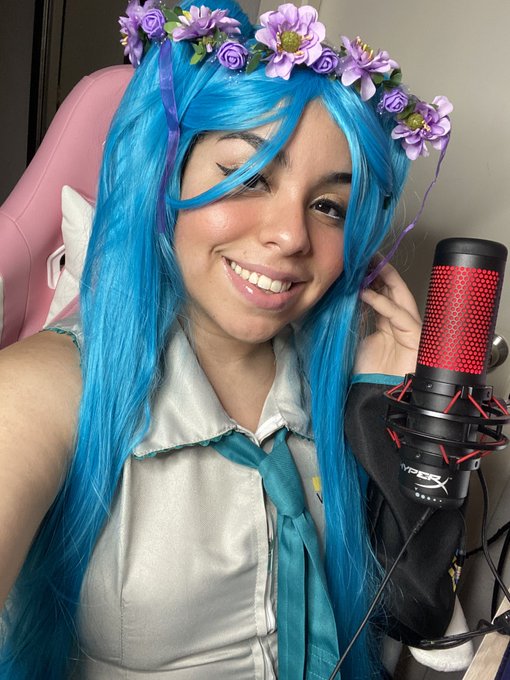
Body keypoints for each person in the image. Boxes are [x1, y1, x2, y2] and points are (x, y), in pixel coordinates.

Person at [0, 1, 463, 678]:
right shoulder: (41, 391)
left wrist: (387, 407)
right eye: (247, 177)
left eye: (329, 205)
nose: (291, 236)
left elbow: (427, 631)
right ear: (165, 175)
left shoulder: (333, 394)